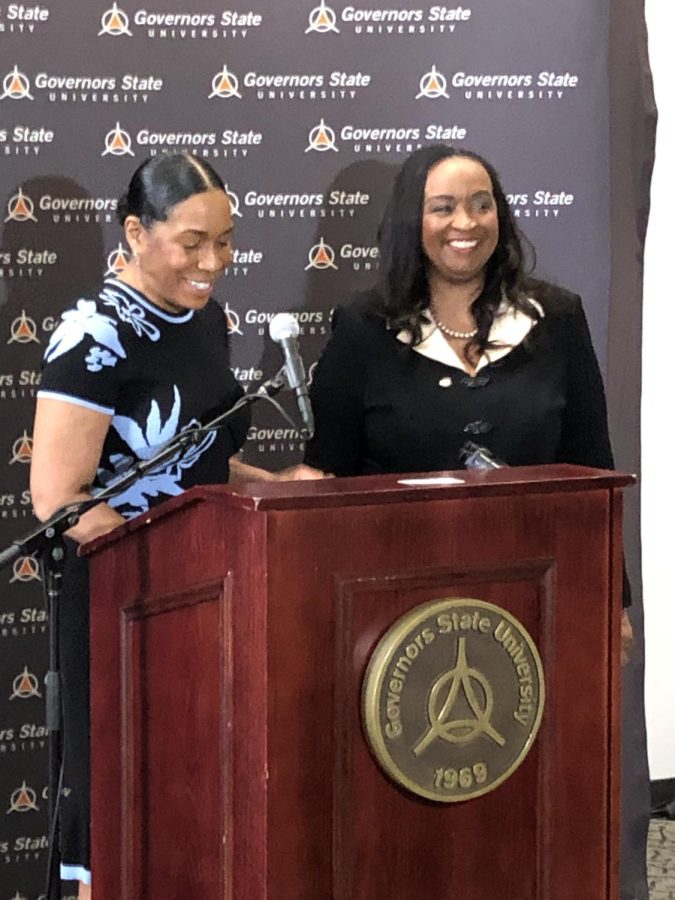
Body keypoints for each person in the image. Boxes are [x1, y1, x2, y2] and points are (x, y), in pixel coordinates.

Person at [30, 152, 320, 899]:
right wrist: (160, 584)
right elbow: (59, 498)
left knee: (198, 804)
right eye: (193, 242)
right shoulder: (94, 335)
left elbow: (196, 465)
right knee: (119, 809)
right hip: (123, 612)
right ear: (134, 231)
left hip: (205, 602)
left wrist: (273, 486)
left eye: (224, 241)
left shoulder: (205, 318)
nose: (213, 261)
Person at [304, 143, 632, 644]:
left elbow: (594, 473)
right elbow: (329, 484)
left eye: (482, 204)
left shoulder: (558, 318)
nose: (467, 222)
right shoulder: (362, 328)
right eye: (443, 207)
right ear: (412, 221)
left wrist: (613, 600)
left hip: (539, 595)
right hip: (394, 609)